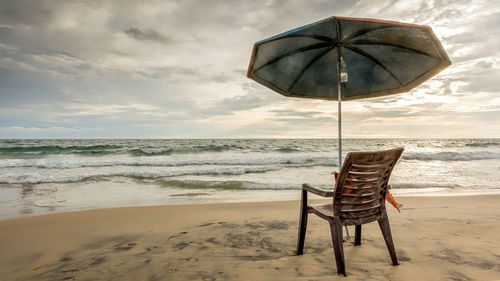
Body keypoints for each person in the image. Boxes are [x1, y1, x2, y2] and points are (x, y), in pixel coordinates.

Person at [332, 171, 403, 212]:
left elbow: (343, 191)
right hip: (372, 210)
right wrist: (394, 203)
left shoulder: (353, 185)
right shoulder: (375, 183)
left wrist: (336, 175)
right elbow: (385, 191)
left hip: (349, 210)